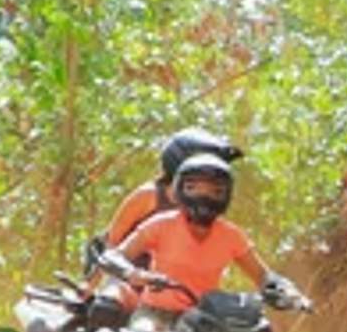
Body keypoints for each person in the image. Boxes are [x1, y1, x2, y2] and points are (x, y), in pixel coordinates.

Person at [102, 131, 301, 317]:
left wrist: (285, 292)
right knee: (111, 314)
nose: (204, 197)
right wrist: (130, 274)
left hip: (201, 319)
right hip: (153, 310)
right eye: (193, 187)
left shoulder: (231, 235)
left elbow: (264, 276)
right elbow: (113, 251)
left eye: (216, 191)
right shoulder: (160, 220)